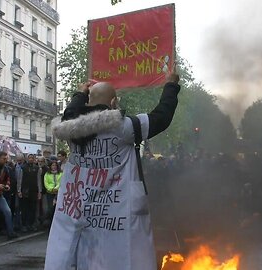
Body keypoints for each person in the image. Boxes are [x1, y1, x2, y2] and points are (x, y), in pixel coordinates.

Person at [45, 72, 181, 270]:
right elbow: (161, 117)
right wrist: (171, 86)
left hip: (78, 210)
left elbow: (69, 115)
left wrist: (80, 94)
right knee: (119, 257)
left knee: (80, 257)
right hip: (116, 214)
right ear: (114, 102)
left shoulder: (71, 132)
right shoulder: (125, 128)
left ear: (88, 102)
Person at [17, 154, 42, 232]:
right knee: (24, 209)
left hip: (34, 191)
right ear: (27, 159)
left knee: (33, 209)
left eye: (32, 158)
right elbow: (19, 180)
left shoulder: (37, 168)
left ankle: (31, 224)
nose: (31, 159)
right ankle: (24, 225)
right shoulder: (23, 167)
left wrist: (39, 191)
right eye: (29, 158)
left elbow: (39, 180)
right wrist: (19, 190)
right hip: (25, 191)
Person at [43, 160, 62, 225]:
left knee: (57, 209)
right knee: (50, 208)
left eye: (55, 165)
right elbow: (46, 183)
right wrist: (51, 189)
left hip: (58, 193)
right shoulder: (47, 174)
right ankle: (48, 221)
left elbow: (61, 182)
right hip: (50, 193)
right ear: (50, 166)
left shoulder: (60, 173)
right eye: (52, 165)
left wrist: (56, 188)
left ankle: (56, 223)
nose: (54, 167)